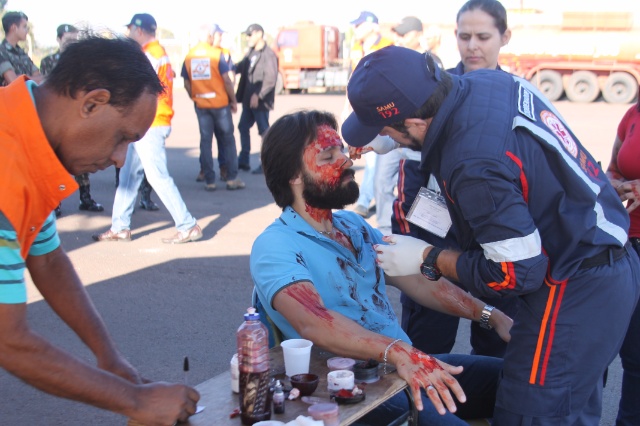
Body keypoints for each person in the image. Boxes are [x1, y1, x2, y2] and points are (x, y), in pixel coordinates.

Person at [342, 45, 640, 425]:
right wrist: (404, 142)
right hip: (605, 255)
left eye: (385, 129)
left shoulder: (473, 162)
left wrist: (429, 257)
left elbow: (518, 271)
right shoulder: (486, 82)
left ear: (415, 121)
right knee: (570, 408)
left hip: (574, 283)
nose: (384, 139)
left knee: (529, 413)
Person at [252, 109, 511, 425]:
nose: (347, 161)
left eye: (342, 151)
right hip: (351, 392)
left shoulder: (353, 225)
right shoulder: (276, 245)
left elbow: (418, 281)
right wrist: (401, 352)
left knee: (525, 384)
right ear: (294, 175)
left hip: (404, 368)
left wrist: (490, 316)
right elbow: (315, 323)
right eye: (328, 156)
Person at [0, 33, 199, 424]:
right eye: (123, 138)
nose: (120, 159)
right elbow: (9, 340)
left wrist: (108, 356)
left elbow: (49, 260)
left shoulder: (24, 133)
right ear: (92, 103)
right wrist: (134, 400)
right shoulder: (6, 170)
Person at [393, 0, 518, 359]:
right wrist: (411, 244)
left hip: (494, 239)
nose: (473, 46)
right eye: (465, 36)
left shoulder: (516, 94)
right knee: (426, 347)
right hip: (433, 237)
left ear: (504, 37)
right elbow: (410, 168)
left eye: (483, 36)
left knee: (497, 346)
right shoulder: (431, 92)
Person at [93, 13, 202, 244]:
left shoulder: (150, 54)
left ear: (139, 30)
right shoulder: (154, 53)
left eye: (131, 29)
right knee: (128, 176)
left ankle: (187, 224)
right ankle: (120, 227)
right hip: (147, 123)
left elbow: (136, 89)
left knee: (156, 177)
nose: (129, 34)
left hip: (150, 123)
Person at [40, 24, 104, 216]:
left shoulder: (84, 63)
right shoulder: (48, 61)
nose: (72, 44)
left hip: (79, 117)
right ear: (59, 40)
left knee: (80, 159)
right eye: (68, 40)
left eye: (75, 40)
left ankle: (86, 198)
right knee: (55, 161)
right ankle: (55, 202)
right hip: (57, 117)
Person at [605, 101, 640, 425]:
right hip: (621, 245)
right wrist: (615, 184)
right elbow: (613, 166)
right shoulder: (633, 114)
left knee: (637, 359)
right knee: (595, 350)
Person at [344, 11, 394, 230]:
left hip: (383, 116)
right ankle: (367, 203)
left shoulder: (387, 47)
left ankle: (366, 203)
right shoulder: (357, 49)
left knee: (380, 168)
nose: (355, 29)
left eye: (359, 25)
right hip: (361, 115)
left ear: (373, 25)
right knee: (374, 163)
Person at [182, 23, 245, 191]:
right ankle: (232, 178)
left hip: (201, 105)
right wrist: (233, 100)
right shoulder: (216, 55)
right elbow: (226, 80)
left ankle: (209, 180)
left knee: (205, 141)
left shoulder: (189, 56)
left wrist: (194, 96)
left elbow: (186, 82)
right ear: (209, 37)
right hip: (220, 105)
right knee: (228, 140)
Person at [235, 23, 278, 175]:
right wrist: (229, 68)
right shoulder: (251, 53)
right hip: (248, 101)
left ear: (259, 34)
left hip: (261, 102)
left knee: (264, 132)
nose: (248, 38)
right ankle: (244, 160)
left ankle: (266, 163)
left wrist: (258, 95)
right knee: (243, 127)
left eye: (250, 34)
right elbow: (240, 66)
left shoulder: (268, 54)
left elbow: (271, 79)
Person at [0, 11, 42, 86]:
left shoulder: (21, 52)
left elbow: (40, 77)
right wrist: (30, 79)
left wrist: (22, 78)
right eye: (24, 26)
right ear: (14, 28)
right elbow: (14, 82)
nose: (27, 30)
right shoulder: (1, 51)